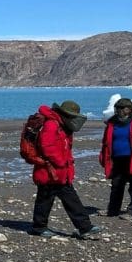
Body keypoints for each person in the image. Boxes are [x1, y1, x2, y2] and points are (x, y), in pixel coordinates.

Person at [29, 100, 102, 239]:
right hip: (50, 171)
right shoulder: (52, 125)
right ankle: (82, 227)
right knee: (49, 200)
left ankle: (83, 227)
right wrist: (61, 162)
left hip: (58, 172)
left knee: (59, 199)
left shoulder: (61, 125)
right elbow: (47, 147)